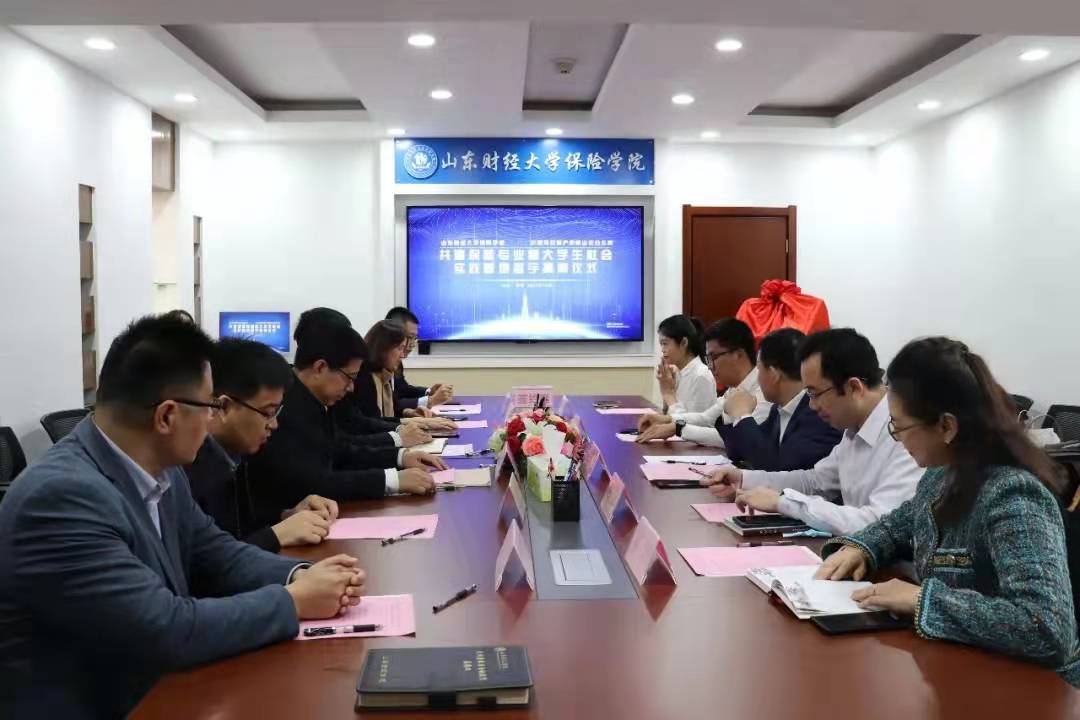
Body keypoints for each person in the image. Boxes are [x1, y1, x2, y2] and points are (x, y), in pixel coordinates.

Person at [0, 314, 366, 718]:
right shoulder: (61, 498)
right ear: (167, 416)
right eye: (209, 406)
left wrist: (301, 575)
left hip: (160, 691)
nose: (213, 418)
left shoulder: (162, 470)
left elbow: (217, 553)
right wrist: (292, 602)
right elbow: (165, 629)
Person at [815, 337, 1080, 684]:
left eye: (900, 427)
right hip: (963, 670)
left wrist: (923, 600)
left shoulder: (1014, 496)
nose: (897, 438)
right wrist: (861, 549)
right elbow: (899, 525)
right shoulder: (941, 476)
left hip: (1033, 689)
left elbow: (1046, 628)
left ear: (946, 426)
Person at [703, 328, 922, 535]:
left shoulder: (905, 434)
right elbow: (815, 481)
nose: (812, 405)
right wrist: (744, 478)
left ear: (854, 388)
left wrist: (784, 502)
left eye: (815, 394)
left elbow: (880, 523)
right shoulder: (854, 427)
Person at [246, 320, 444, 527]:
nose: (351, 388)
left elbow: (340, 450)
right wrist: (392, 480)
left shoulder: (312, 400)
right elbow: (313, 482)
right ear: (320, 367)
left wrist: (401, 457)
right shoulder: (286, 407)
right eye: (349, 378)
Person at [186, 338, 339, 552]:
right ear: (224, 407)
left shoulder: (236, 454)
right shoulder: (188, 469)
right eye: (268, 412)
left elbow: (241, 528)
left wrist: (286, 516)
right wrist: (274, 535)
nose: (273, 425)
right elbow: (205, 560)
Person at [716, 329, 842, 470]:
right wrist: (734, 414)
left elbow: (777, 467)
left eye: (759, 369)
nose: (758, 378)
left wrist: (742, 414)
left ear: (774, 374)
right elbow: (738, 452)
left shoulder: (817, 412)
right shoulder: (779, 408)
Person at [637, 318, 771, 446]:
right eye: (708, 359)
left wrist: (679, 428)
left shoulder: (765, 389)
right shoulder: (735, 388)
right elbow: (706, 418)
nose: (710, 366)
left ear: (738, 354)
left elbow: (741, 438)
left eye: (714, 357)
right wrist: (668, 420)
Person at [385, 306, 453, 413]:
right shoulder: (373, 365)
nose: (412, 344)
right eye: (409, 337)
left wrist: (429, 391)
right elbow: (391, 405)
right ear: (393, 334)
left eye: (415, 338)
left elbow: (403, 390)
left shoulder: (397, 360)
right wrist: (430, 401)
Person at [652, 314, 715, 415]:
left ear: (684, 343)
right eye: (661, 344)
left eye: (665, 343)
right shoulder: (677, 373)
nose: (662, 350)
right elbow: (668, 414)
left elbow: (692, 423)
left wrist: (668, 393)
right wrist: (666, 386)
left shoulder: (701, 376)